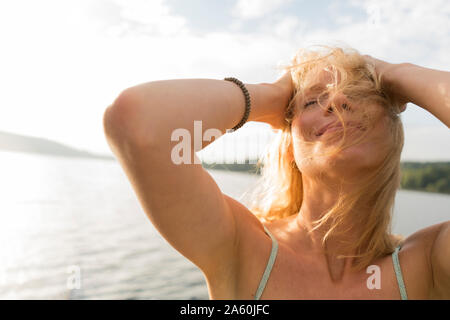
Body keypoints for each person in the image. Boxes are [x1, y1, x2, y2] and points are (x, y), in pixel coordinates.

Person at [103, 45, 450, 299]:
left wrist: (396, 73)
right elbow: (138, 122)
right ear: (290, 141)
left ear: (393, 134)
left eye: (362, 93)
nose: (337, 102)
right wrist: (269, 97)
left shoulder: (428, 265)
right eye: (313, 101)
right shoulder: (243, 246)